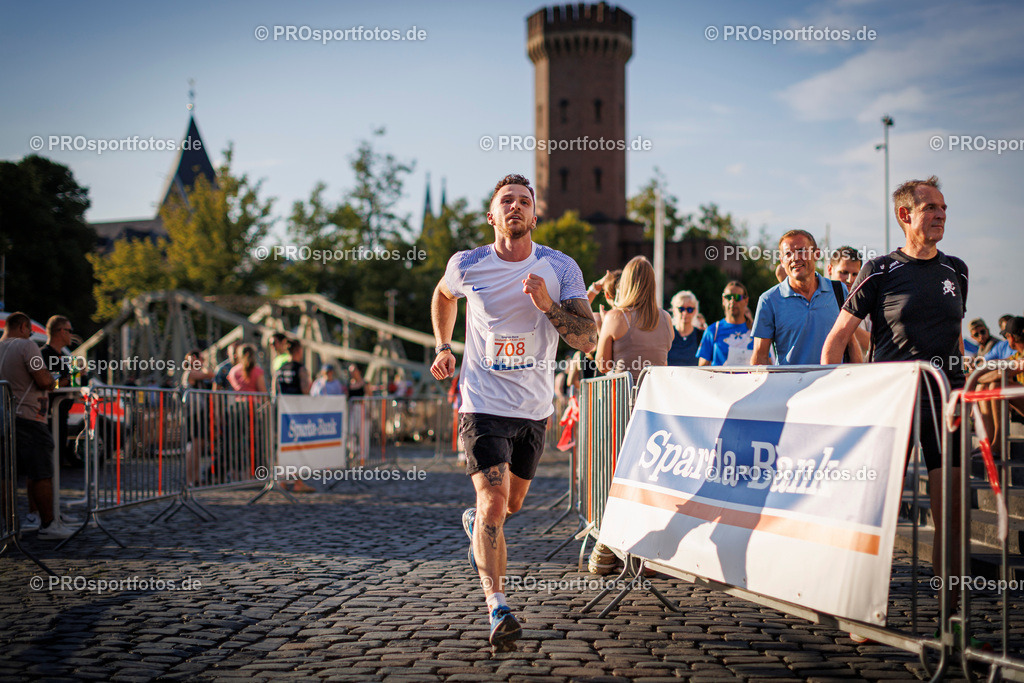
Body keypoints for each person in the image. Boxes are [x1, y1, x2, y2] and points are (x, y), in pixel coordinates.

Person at [430, 173, 597, 651]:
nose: (516, 206)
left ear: (535, 216)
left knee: (512, 505)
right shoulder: (467, 264)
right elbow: (443, 295)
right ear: (492, 215)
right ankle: (497, 605)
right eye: (507, 200)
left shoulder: (560, 266)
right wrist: (444, 345)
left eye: (525, 201)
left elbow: (587, 338)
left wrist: (548, 306)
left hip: (533, 409)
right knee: (494, 502)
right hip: (482, 404)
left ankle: (477, 524)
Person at [821, 175, 967, 609]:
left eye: (944, 207)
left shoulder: (957, 269)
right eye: (930, 208)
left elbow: (956, 338)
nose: (941, 214)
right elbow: (836, 340)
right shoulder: (881, 269)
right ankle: (859, 609)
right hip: (893, 403)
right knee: (876, 512)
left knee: (951, 515)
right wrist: (834, 402)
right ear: (905, 215)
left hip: (945, 403)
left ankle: (949, 620)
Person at [0, 312, 71, 540]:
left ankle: (9, 526)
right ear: (23, 327)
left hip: (5, 417)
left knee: (6, 475)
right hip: (30, 417)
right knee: (41, 472)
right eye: (30, 331)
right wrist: (54, 380)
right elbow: (44, 380)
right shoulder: (27, 346)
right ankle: (49, 524)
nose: (31, 335)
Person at [752, 231, 862, 366]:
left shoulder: (839, 291)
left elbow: (851, 342)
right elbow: (760, 356)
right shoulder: (768, 300)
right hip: (791, 380)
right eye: (788, 254)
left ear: (816, 254)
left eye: (801, 251)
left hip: (833, 379)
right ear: (782, 261)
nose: (795, 258)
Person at [595, 256, 673, 382]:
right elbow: (663, 361)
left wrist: (602, 329)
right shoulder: (666, 318)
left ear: (625, 283)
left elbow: (603, 366)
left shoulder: (615, 317)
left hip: (625, 393)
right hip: (654, 392)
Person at [976, 316, 1024, 455]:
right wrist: (979, 378)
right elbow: (991, 370)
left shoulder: (1020, 358)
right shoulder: (1017, 356)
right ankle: (989, 441)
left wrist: (978, 377)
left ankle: (998, 444)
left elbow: (1001, 372)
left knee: (997, 386)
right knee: (983, 388)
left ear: (1011, 338)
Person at [40, 315, 80, 468]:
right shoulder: (44, 354)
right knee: (48, 464)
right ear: (62, 331)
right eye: (70, 331)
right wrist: (67, 380)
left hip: (61, 416)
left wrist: (77, 375)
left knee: (57, 463)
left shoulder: (62, 356)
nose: (72, 335)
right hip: (49, 417)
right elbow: (46, 384)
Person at [697, 281, 756, 366]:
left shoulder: (756, 331)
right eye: (728, 297)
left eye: (737, 297)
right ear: (723, 300)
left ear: (746, 301)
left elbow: (766, 362)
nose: (732, 301)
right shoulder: (713, 331)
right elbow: (702, 367)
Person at [826, 245, 870, 357]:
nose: (850, 279)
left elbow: (874, 344)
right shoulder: (817, 301)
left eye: (855, 274)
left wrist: (845, 325)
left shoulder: (867, 303)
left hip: (859, 366)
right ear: (830, 269)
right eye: (844, 272)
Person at [666, 290, 702, 367]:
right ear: (674, 310)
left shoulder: (701, 336)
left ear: (695, 311)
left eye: (689, 309)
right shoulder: (666, 335)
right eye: (681, 309)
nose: (685, 313)